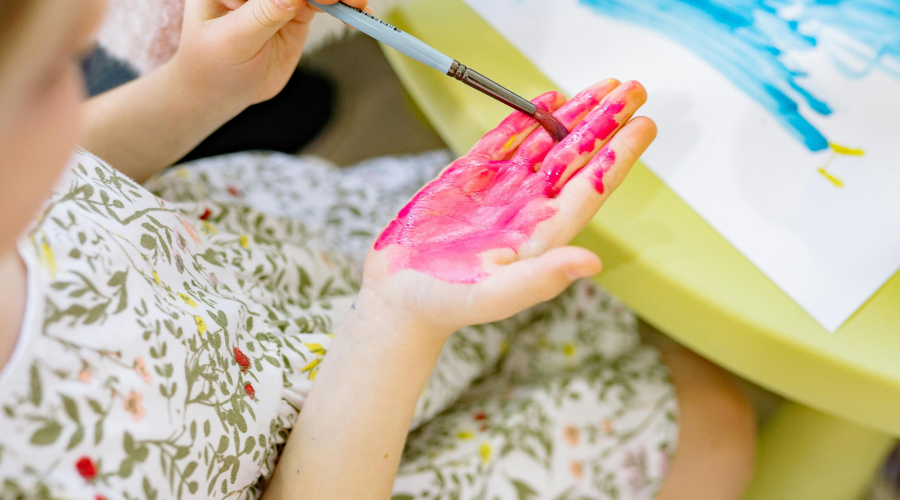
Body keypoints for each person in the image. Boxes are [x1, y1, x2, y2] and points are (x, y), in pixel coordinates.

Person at [0, 0, 756, 498]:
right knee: (715, 424)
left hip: (277, 262)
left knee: (623, 271)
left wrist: (199, 89)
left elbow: (78, 171)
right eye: (53, 76)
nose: (74, 104)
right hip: (354, 444)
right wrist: (398, 322)